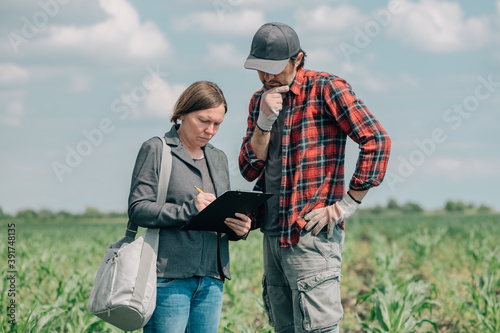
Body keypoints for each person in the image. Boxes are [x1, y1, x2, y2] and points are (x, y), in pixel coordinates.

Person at [239, 22, 391, 333]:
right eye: (260, 69)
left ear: (298, 59)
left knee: (317, 329)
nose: (267, 77)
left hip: (311, 236)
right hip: (271, 237)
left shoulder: (326, 88)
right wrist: (264, 121)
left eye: (274, 69)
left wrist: (346, 206)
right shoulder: (259, 101)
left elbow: (376, 140)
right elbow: (249, 168)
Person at [128, 81, 252, 333]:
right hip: (168, 277)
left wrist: (239, 228)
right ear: (182, 114)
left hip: (211, 278)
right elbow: (138, 208)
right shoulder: (157, 149)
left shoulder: (217, 158)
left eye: (217, 124)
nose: (210, 130)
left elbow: (217, 216)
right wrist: (188, 208)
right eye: (203, 121)